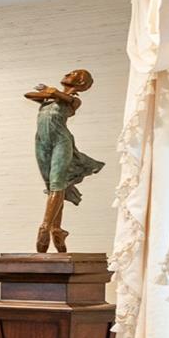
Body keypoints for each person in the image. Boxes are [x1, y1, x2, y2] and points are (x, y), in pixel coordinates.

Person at [25, 68, 105, 253]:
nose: (67, 74)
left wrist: (56, 93)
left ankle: (44, 227)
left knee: (57, 184)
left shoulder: (74, 100)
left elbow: (70, 100)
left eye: (72, 74)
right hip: (41, 142)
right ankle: (57, 229)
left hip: (61, 141)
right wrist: (49, 93)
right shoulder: (49, 97)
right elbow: (28, 94)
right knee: (52, 187)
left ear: (80, 82)